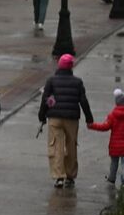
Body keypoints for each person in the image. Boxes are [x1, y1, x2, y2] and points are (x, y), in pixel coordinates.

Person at [40, 53, 94, 189]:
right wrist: (89, 118)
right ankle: (70, 176)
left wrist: (42, 116)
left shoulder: (51, 80)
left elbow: (45, 99)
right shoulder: (77, 82)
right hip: (72, 118)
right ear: (71, 67)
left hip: (55, 117)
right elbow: (83, 101)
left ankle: (59, 176)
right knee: (71, 146)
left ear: (59, 65)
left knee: (57, 146)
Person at [91, 88, 124, 187]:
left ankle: (112, 178)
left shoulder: (112, 116)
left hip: (115, 145)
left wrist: (92, 125)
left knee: (114, 163)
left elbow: (105, 127)